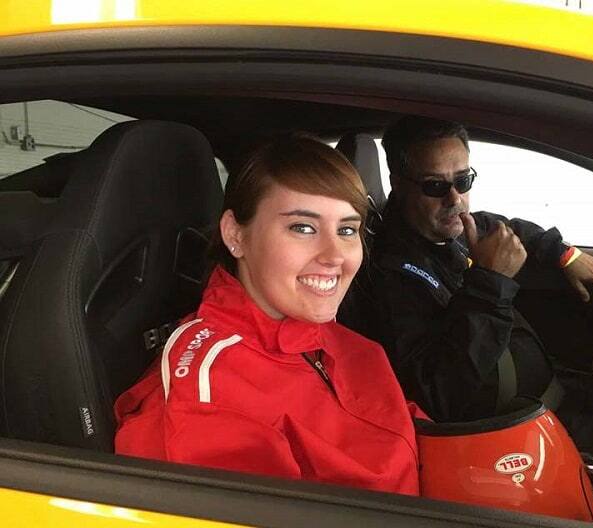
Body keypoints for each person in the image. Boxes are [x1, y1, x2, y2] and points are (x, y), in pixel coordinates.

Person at [114, 136, 422, 495]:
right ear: (235, 235)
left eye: (347, 230)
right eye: (303, 227)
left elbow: (416, 438)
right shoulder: (206, 395)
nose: (335, 255)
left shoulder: (344, 342)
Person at [340, 116, 593, 423]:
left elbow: (509, 231)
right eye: (435, 186)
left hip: (541, 397)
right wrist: (490, 283)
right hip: (504, 429)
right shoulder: (389, 276)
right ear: (398, 184)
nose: (455, 199)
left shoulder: (453, 229)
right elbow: (436, 393)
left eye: (463, 181)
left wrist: (566, 255)